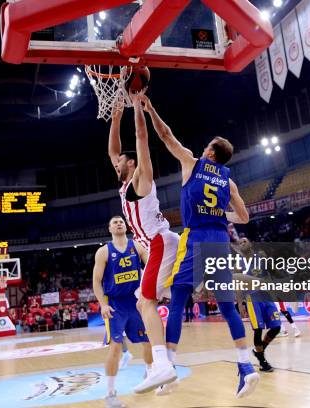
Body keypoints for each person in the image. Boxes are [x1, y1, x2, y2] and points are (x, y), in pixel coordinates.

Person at [139, 93, 259, 398]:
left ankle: (170, 371)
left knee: (178, 300)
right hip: (219, 239)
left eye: (207, 146)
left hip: (194, 239)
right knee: (228, 306)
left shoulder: (192, 163)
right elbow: (243, 216)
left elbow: (165, 136)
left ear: (210, 152)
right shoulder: (228, 182)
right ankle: (246, 366)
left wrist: (151, 108)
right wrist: (221, 212)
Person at [108, 94, 179, 393]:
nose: (116, 162)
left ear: (131, 163)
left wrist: (138, 108)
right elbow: (112, 150)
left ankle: (162, 365)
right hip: (157, 248)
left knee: (145, 302)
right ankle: (164, 365)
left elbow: (141, 136)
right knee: (151, 301)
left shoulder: (140, 180)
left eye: (121, 161)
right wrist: (114, 117)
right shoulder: (125, 184)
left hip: (160, 243)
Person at [93, 216, 154, 407]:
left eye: (121, 221)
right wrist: (103, 304)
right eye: (115, 222)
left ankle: (150, 373)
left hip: (136, 302)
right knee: (116, 347)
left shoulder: (137, 247)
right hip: (115, 304)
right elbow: (96, 281)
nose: (119, 223)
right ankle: (110, 394)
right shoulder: (103, 252)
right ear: (109, 228)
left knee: (149, 340)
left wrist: (150, 292)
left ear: (126, 226)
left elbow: (152, 267)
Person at [236, 237, 281, 372]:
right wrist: (240, 304)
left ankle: (258, 351)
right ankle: (263, 362)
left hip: (266, 295)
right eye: (240, 243)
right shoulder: (239, 264)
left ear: (250, 243)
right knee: (258, 330)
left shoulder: (260, 257)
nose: (242, 243)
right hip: (251, 297)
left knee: (276, 327)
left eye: (245, 241)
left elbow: (273, 273)